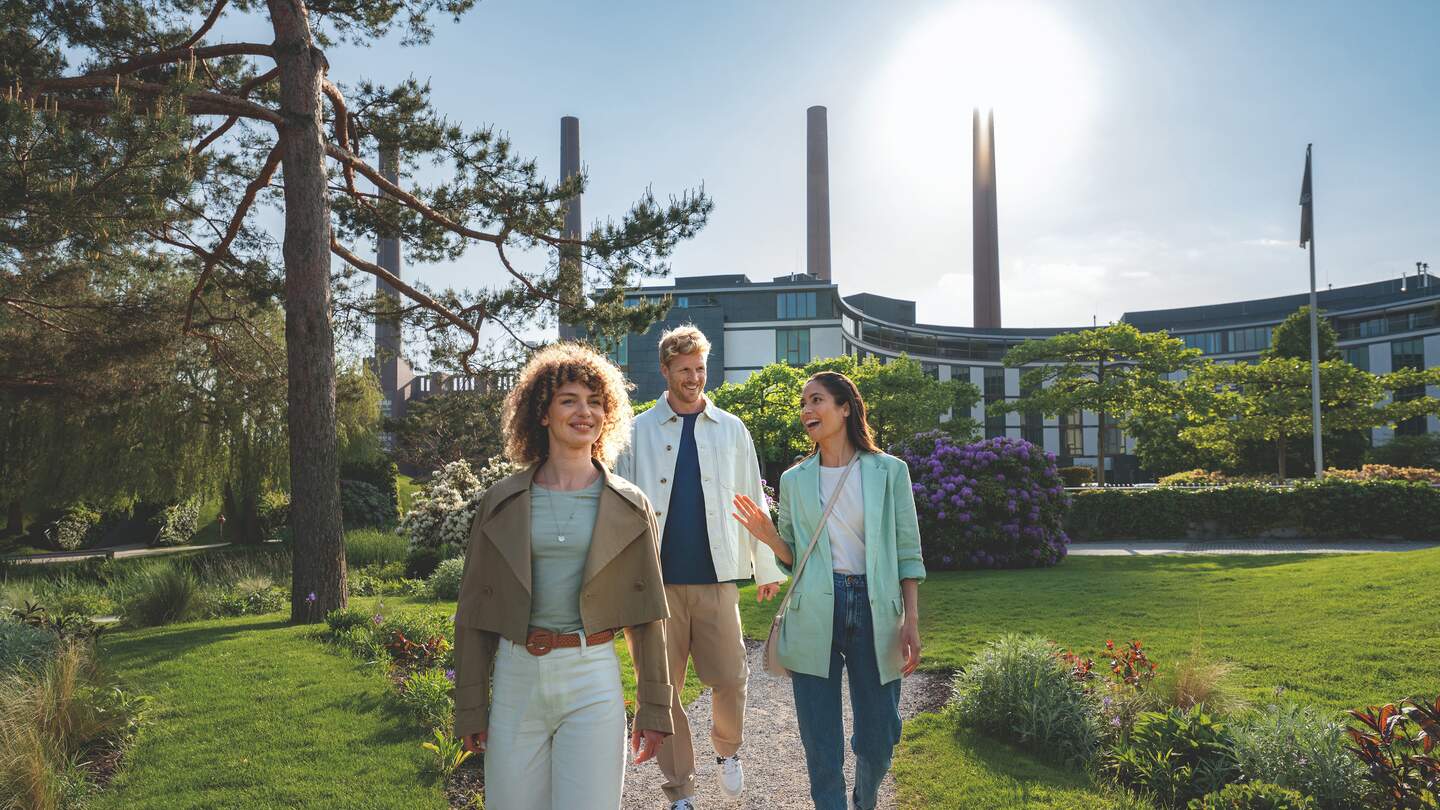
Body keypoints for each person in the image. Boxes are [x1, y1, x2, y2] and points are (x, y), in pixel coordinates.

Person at [452, 342, 673, 810]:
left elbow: (648, 617)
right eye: (569, 399)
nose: (584, 412)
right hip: (517, 677)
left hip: (592, 677)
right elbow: (473, 613)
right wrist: (471, 706)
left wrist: (655, 708)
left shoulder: (631, 504)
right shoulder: (500, 501)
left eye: (596, 402)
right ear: (543, 413)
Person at [731, 370, 925, 810]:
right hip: (813, 611)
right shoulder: (795, 479)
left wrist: (911, 619)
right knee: (820, 741)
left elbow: (908, 552)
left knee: (880, 735)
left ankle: (864, 798)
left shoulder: (889, 472)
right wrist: (769, 537)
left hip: (876, 610)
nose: (806, 411)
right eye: (803, 404)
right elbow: (795, 556)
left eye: (816, 400)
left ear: (844, 407)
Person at [615, 325, 786, 810]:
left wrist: (766, 568)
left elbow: (754, 499)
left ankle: (727, 752)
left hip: (717, 579)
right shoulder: (638, 432)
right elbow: (621, 510)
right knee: (660, 689)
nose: (694, 378)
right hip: (656, 586)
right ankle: (680, 791)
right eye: (684, 369)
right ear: (665, 370)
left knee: (731, 677)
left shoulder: (732, 429)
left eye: (700, 369)